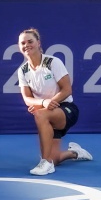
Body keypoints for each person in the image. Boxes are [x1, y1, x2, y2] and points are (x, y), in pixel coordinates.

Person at [15, 28, 93, 176]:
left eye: (30, 41)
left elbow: (67, 90)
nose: (26, 45)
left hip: (66, 110)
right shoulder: (23, 71)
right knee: (55, 158)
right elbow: (27, 98)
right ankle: (74, 153)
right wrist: (43, 103)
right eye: (22, 43)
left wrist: (47, 103)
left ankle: (45, 162)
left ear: (38, 43)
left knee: (40, 115)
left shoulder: (53, 62)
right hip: (47, 113)